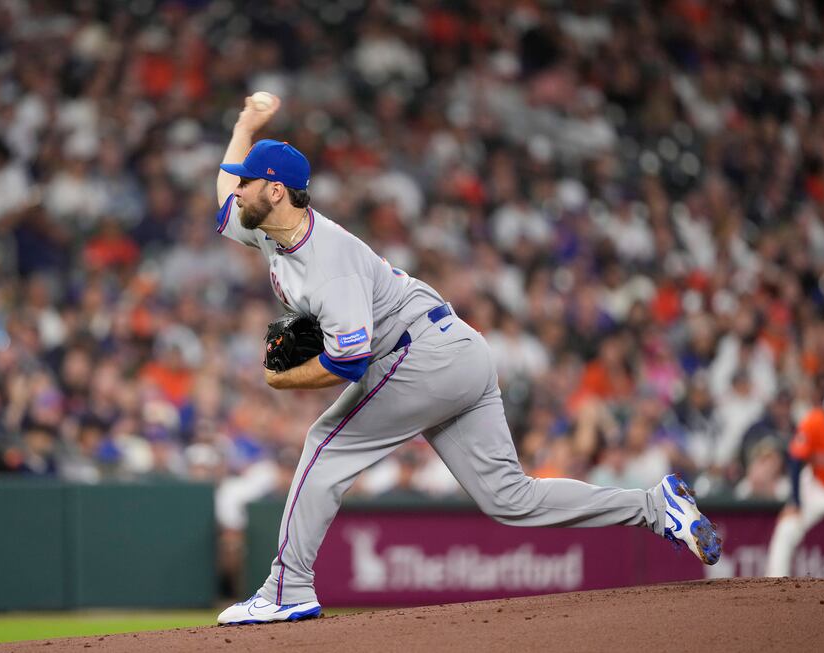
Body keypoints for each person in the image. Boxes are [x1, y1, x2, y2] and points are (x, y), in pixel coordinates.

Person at [213, 96, 721, 626]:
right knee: (510, 497)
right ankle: (656, 508)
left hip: (420, 355)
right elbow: (224, 196)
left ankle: (286, 588)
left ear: (275, 191)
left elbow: (348, 363)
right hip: (456, 351)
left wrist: (283, 380)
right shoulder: (266, 227)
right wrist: (245, 123)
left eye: (249, 180)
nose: (238, 186)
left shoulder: (328, 264)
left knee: (324, 445)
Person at [765, 382, 824, 576]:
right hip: (818, 487)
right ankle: (774, 583)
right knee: (787, 528)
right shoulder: (814, 421)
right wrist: (795, 500)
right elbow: (795, 460)